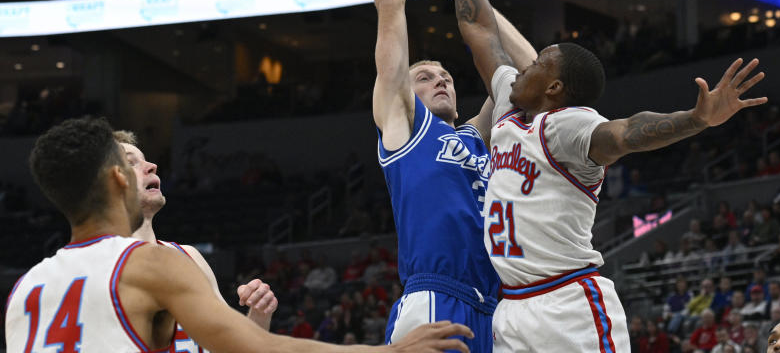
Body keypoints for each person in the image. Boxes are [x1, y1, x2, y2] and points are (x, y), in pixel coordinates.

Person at [425, 0, 767, 351]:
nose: (523, 66)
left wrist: (696, 118)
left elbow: (627, 132)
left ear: (555, 89)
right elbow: (481, 29)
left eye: (539, 63)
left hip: (569, 305)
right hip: (511, 308)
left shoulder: (568, 127)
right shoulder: (509, 105)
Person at [4, 117, 473, 353]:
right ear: (118, 180)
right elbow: (260, 350)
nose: (147, 165)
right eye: (128, 161)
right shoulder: (148, 263)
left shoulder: (25, 289)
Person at [353, 0, 538, 351]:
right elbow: (391, 8)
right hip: (436, 297)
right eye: (425, 76)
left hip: (501, 307)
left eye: (447, 76)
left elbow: (535, 74)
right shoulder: (405, 128)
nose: (441, 81)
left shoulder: (477, 136)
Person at [114, 130, 278, 352]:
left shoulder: (191, 257)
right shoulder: (97, 272)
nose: (152, 165)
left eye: (145, 159)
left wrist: (259, 314)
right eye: (131, 163)